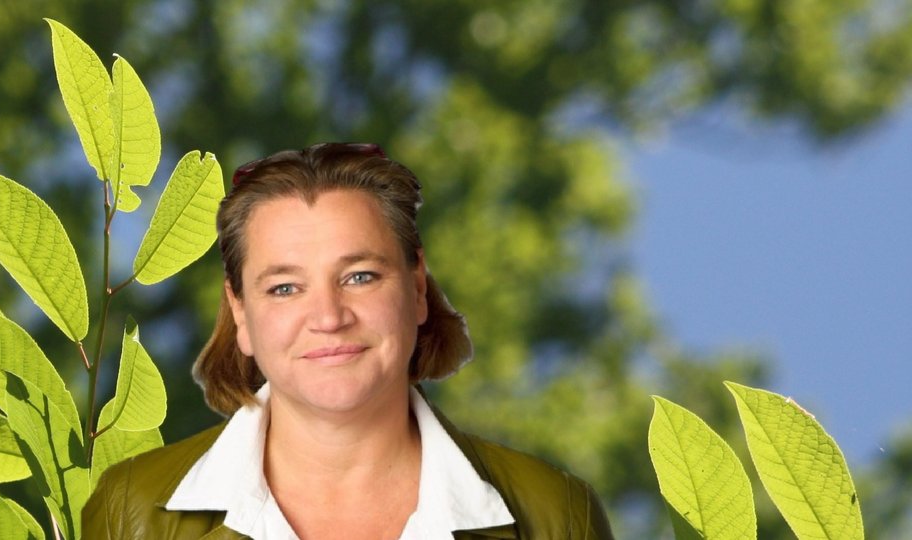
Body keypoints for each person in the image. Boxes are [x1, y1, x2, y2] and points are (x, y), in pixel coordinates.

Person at [81, 143, 612, 539]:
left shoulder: (557, 515)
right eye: (285, 287)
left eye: (360, 276)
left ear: (417, 287)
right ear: (240, 312)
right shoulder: (134, 512)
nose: (329, 317)